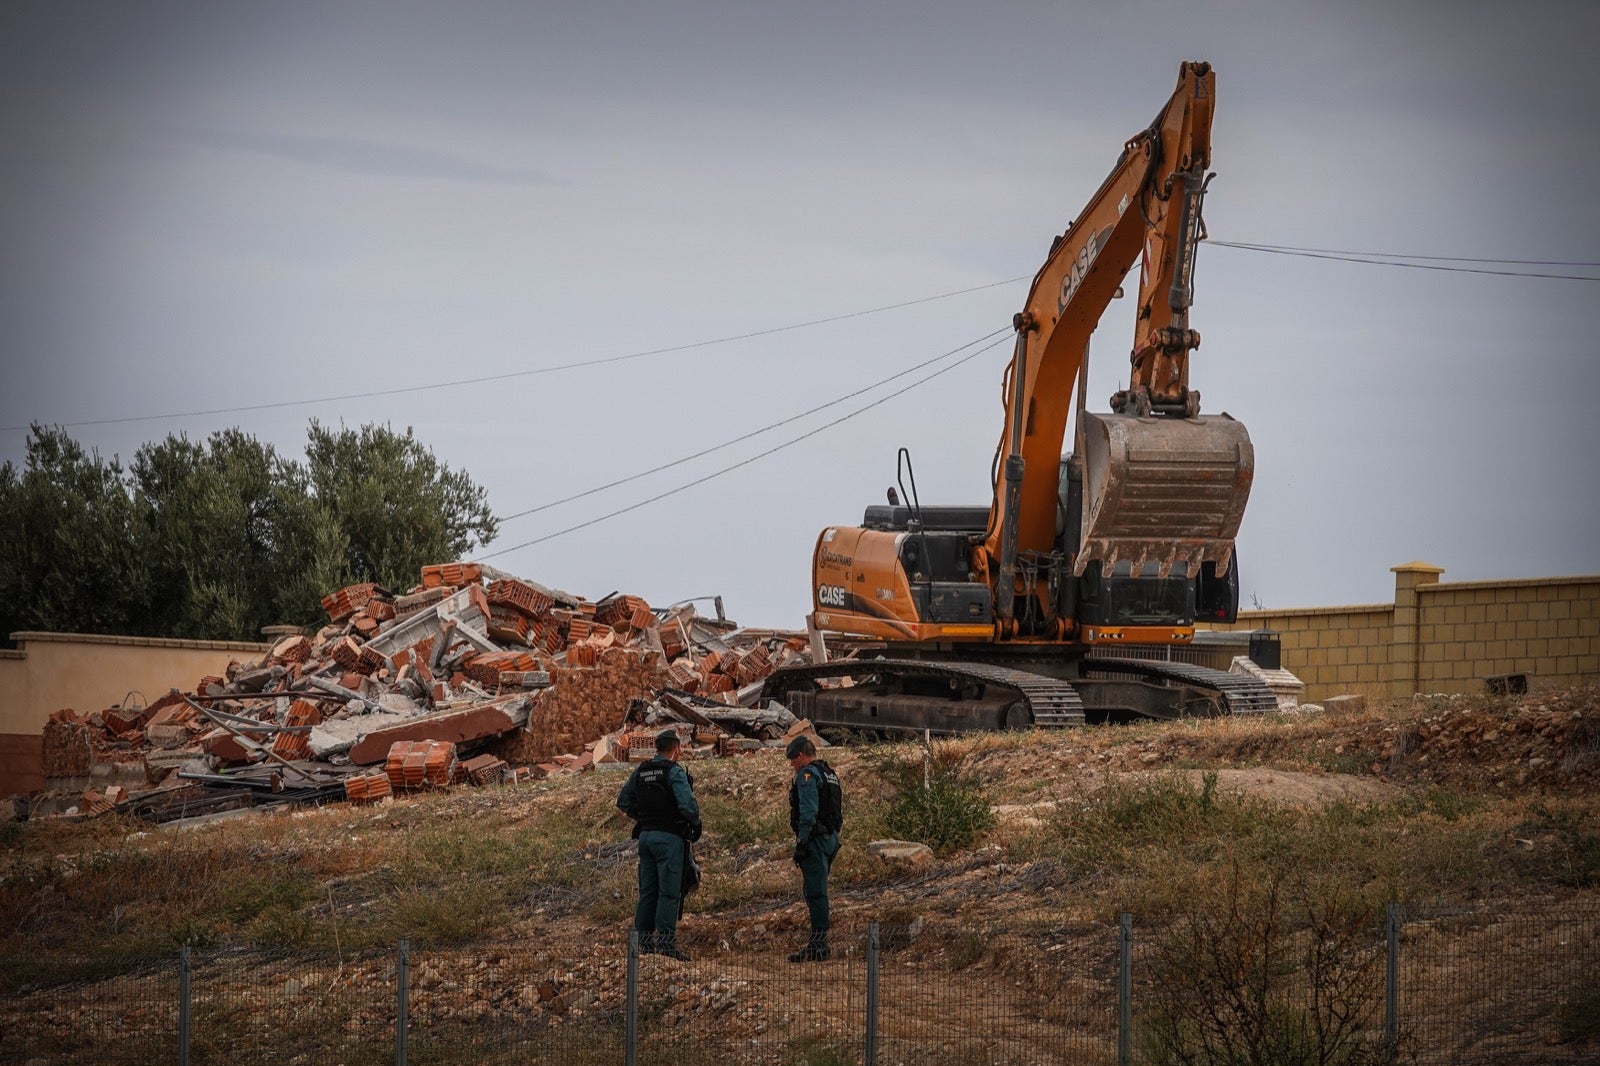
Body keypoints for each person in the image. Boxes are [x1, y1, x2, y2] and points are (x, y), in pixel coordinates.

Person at [616, 729, 702, 961]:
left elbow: (622, 801)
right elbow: (688, 805)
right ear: (676, 749)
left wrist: (643, 818)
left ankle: (643, 943)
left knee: (648, 892)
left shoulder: (642, 771)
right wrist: (695, 824)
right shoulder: (673, 772)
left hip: (645, 838)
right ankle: (666, 945)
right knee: (669, 893)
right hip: (670, 839)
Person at [786, 735, 843, 962]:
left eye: (792, 760)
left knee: (815, 893)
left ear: (800, 756)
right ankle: (818, 942)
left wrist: (802, 840)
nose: (792, 765)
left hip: (816, 840)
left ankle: (819, 944)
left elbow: (808, 810)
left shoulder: (807, 775)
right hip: (830, 838)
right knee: (817, 890)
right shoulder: (830, 774)